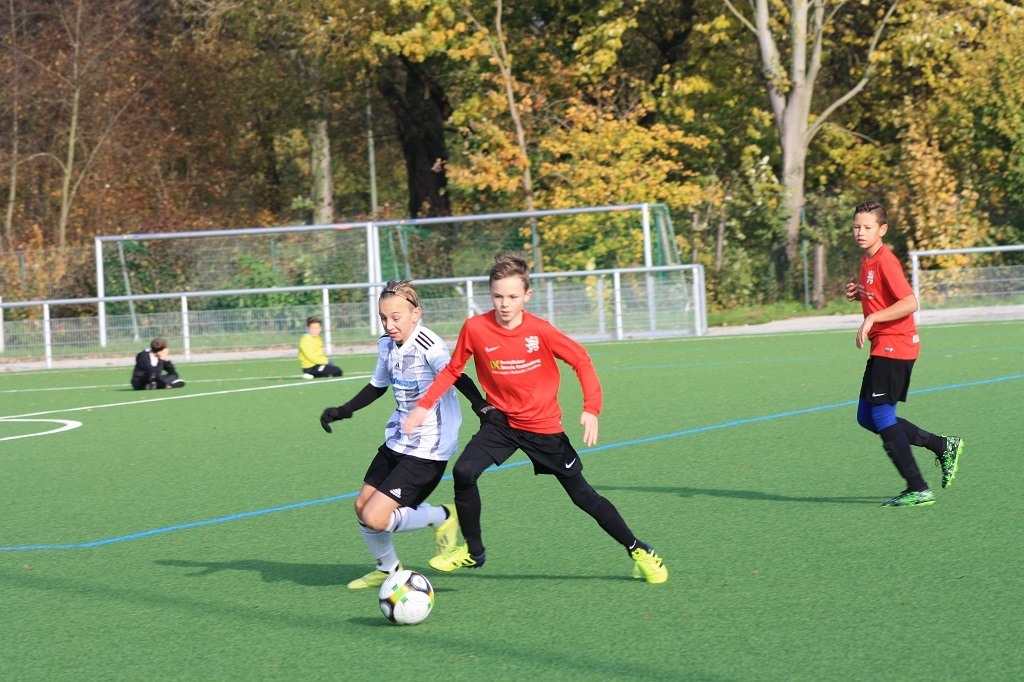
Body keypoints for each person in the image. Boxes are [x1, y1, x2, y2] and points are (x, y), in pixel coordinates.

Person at [403, 252, 668, 584]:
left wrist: (591, 408)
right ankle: (474, 551)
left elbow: (581, 360)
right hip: (501, 424)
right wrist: (424, 406)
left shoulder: (540, 330)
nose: (505, 304)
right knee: (464, 472)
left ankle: (639, 550)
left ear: (526, 295)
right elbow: (453, 369)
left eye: (512, 296)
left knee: (583, 496)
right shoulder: (475, 328)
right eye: (498, 296)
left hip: (543, 427)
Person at [319, 280, 493, 589]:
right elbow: (377, 385)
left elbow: (454, 374)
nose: (389, 325)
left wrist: (480, 405)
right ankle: (388, 569)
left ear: (416, 314)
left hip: (429, 446)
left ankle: (442, 516)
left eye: (396, 317)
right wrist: (345, 410)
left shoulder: (429, 344)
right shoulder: (386, 344)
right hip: (399, 438)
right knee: (361, 506)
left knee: (375, 517)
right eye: (383, 318)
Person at [846, 201, 964, 507]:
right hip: (883, 345)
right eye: (857, 226)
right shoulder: (867, 260)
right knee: (866, 417)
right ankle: (941, 445)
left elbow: (910, 302)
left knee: (881, 416)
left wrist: (871, 318)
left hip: (896, 344)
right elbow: (879, 295)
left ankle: (918, 487)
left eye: (868, 227)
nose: (860, 232)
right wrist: (860, 294)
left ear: (882, 230)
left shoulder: (886, 261)